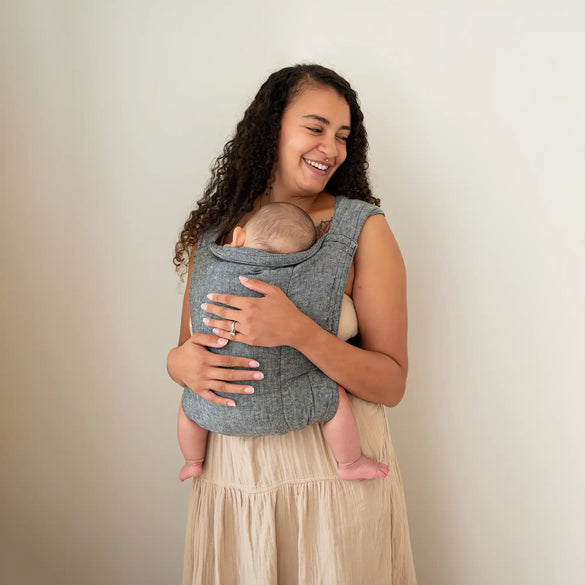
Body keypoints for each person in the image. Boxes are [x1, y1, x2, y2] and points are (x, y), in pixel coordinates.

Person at [167, 64, 417, 584]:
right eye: (316, 127)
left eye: (343, 136)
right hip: (233, 476)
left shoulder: (361, 229)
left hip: (332, 475)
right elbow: (187, 350)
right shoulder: (217, 233)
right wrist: (177, 363)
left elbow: (391, 383)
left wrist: (299, 330)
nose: (332, 147)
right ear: (272, 128)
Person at [177, 201, 390, 483]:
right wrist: (175, 363)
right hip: (290, 407)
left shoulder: (210, 261)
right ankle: (349, 461)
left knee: (189, 407)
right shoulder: (311, 278)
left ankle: (192, 459)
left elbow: (195, 329)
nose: (331, 153)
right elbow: (345, 324)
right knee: (335, 399)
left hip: (220, 412)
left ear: (238, 237)